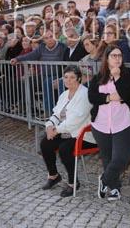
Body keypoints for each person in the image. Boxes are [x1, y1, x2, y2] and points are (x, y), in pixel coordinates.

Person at [88, 45, 130, 201]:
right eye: (113, 56)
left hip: (123, 123)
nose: (117, 59)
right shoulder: (99, 77)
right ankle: (115, 188)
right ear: (107, 58)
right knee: (107, 157)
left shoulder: (127, 75)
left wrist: (117, 78)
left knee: (122, 158)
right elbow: (92, 97)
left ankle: (104, 179)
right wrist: (109, 97)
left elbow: (128, 93)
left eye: (119, 56)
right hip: (101, 124)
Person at [40, 65, 94, 197]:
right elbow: (56, 114)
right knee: (45, 143)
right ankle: (54, 176)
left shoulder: (85, 95)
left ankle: (73, 183)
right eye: (66, 77)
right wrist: (49, 126)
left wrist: (56, 130)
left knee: (65, 148)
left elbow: (75, 121)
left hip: (83, 134)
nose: (68, 80)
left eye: (72, 77)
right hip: (66, 132)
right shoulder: (64, 94)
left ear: (79, 79)